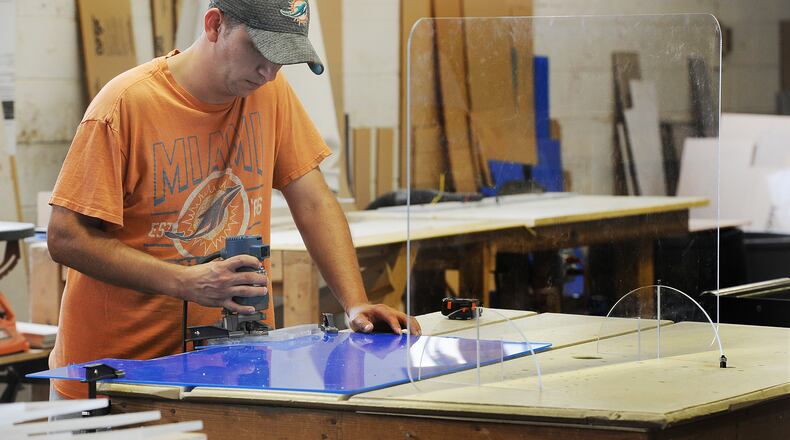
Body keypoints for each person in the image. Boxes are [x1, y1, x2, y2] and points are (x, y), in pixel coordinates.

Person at [47, 0, 420, 400]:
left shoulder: (271, 94)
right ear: (214, 25)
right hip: (114, 379)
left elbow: (312, 201)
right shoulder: (124, 106)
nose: (269, 71)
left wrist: (356, 304)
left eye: (283, 59)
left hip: (225, 372)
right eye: (260, 51)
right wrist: (185, 282)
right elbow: (65, 237)